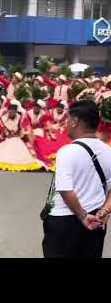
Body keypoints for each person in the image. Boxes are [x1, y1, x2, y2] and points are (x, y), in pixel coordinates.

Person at [42, 100, 111, 258]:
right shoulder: (108, 151)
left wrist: (83, 216)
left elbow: (65, 189)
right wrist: (105, 211)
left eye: (68, 118)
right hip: (96, 222)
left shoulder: (67, 151)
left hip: (66, 221)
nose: (65, 123)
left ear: (75, 121)